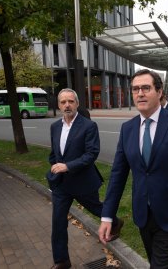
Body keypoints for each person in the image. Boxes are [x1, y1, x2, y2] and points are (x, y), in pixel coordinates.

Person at [98, 69, 168, 268]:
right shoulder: (128, 129)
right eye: (135, 89)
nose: (140, 93)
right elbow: (118, 175)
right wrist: (107, 215)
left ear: (159, 91)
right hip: (143, 215)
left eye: (146, 88)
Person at [48, 89, 123, 269]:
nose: (67, 105)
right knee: (58, 222)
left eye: (70, 101)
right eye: (63, 102)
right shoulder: (55, 127)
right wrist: (54, 165)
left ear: (77, 104)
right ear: (58, 105)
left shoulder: (88, 126)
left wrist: (68, 166)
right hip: (62, 185)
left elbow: (91, 154)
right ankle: (62, 261)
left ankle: (116, 221)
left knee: (97, 208)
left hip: (83, 182)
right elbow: (55, 152)